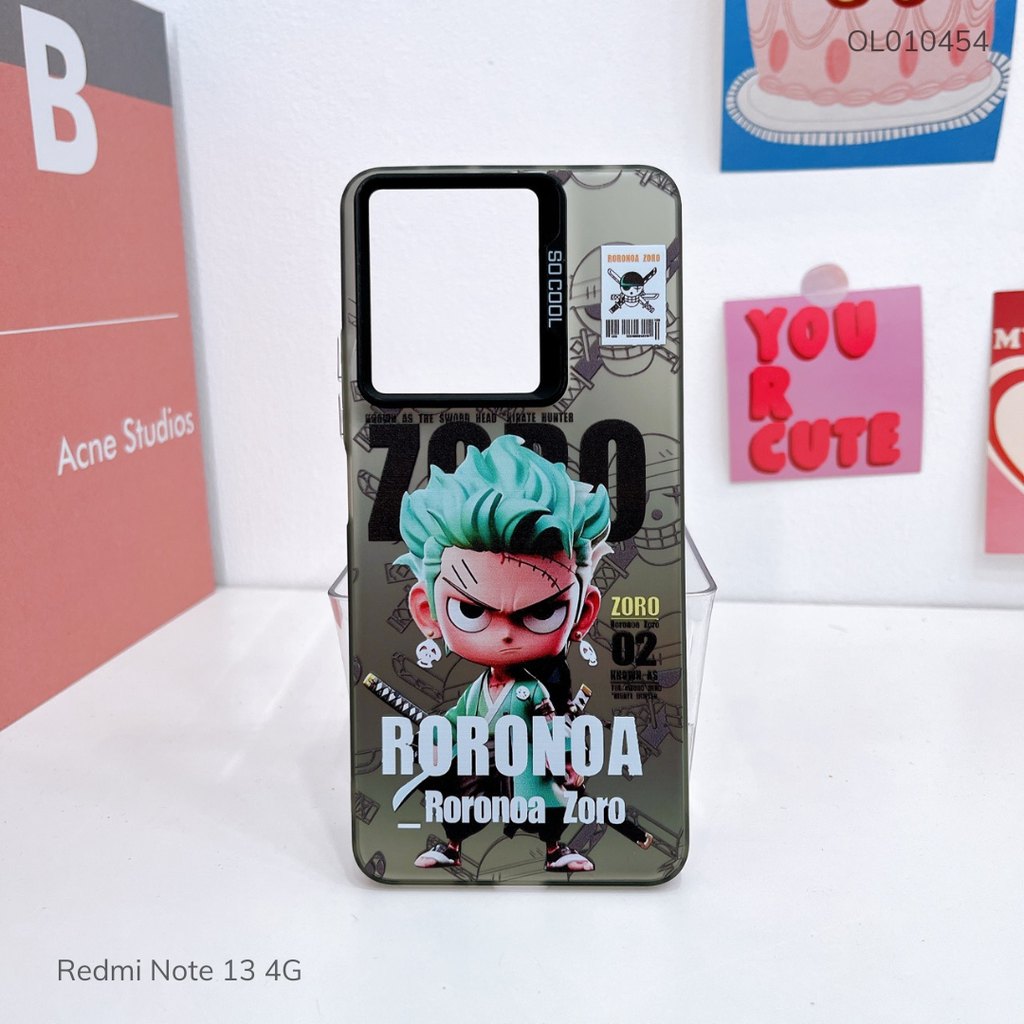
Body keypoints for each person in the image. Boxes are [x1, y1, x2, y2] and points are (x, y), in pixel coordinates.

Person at [395, 435, 611, 872]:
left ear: (583, 614)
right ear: (427, 611)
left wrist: (569, 757)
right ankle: (453, 845)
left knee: (545, 799)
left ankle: (555, 848)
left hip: (526, 767)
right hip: (480, 760)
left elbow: (553, 724)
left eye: (543, 612)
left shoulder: (534, 690)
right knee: (456, 788)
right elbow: (454, 719)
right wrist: (436, 737)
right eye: (472, 611)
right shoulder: (476, 693)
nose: (506, 635)